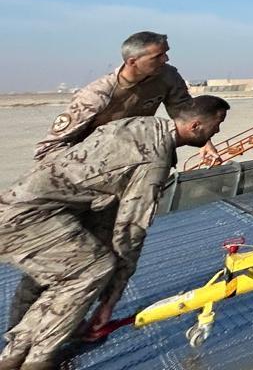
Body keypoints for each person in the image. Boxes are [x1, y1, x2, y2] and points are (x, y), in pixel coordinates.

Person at [0, 97, 230, 370]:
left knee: (78, 272)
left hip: (29, 209)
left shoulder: (144, 125)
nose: (216, 133)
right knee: (91, 269)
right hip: (26, 218)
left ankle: (15, 353)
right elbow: (131, 230)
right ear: (195, 126)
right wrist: (110, 301)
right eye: (216, 125)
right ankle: (39, 360)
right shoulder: (154, 159)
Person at [34, 32, 214, 163]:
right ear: (132, 62)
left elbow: (185, 113)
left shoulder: (167, 76)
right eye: (158, 56)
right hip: (91, 166)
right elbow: (47, 149)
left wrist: (204, 140)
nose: (166, 59)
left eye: (166, 53)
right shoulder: (96, 96)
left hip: (134, 159)